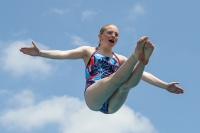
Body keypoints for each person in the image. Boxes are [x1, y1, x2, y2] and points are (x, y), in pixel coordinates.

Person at [19, 24, 184, 114]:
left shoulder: (119, 59)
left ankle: (142, 61)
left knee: (126, 86)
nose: (113, 36)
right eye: (110, 33)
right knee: (114, 80)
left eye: (116, 34)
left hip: (111, 105)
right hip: (94, 96)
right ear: (100, 36)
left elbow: (144, 76)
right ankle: (136, 55)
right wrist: (41, 53)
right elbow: (63, 54)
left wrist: (165, 86)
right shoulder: (88, 51)